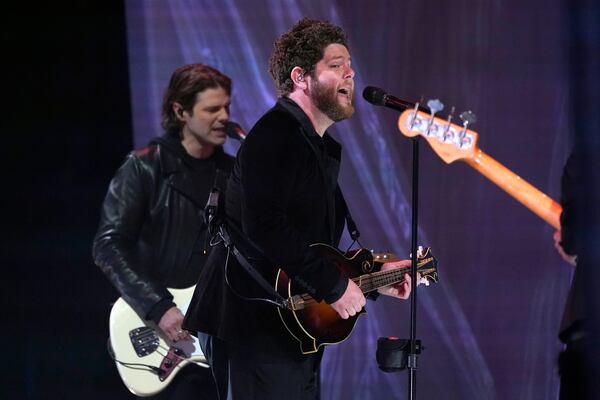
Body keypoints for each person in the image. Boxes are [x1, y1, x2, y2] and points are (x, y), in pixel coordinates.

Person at [183, 18, 413, 400]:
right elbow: (265, 227)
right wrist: (334, 286)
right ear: (301, 77)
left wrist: (372, 276)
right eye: (336, 64)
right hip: (250, 323)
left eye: (350, 64)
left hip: (286, 326)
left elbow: (311, 248)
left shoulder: (313, 145)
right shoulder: (276, 135)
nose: (350, 72)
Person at [93, 64, 234, 399]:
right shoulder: (144, 167)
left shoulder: (233, 174)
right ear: (180, 111)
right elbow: (108, 245)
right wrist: (159, 307)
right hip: (164, 336)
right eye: (212, 109)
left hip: (218, 339)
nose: (224, 116)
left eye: (227, 106)